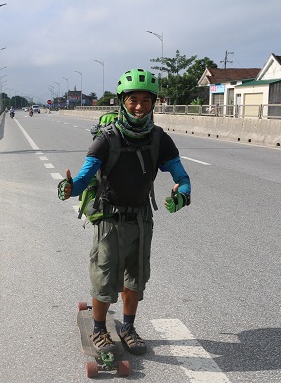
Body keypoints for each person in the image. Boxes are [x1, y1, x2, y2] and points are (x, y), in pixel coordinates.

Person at [57, 68, 191, 355]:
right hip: (109, 219)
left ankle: (128, 327)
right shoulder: (107, 139)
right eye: (133, 100)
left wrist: (183, 193)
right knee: (104, 278)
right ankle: (99, 330)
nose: (140, 107)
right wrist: (69, 188)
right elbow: (82, 178)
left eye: (146, 100)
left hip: (142, 219)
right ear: (122, 102)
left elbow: (182, 177)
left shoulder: (159, 139)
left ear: (154, 103)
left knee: (136, 278)